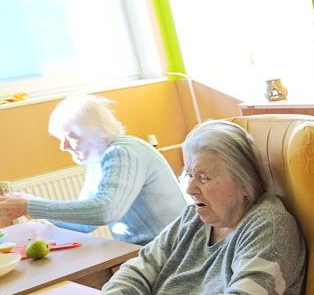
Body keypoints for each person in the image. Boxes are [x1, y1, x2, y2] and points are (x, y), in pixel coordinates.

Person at [68, 120, 306, 295]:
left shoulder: (269, 225)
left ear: (244, 182)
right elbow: (141, 268)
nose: (191, 189)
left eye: (203, 177)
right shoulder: (193, 218)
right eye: (190, 175)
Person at [0, 94, 186, 244]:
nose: (63, 146)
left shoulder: (123, 153)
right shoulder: (99, 161)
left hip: (174, 249)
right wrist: (32, 205)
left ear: (97, 132)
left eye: (70, 137)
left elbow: (105, 211)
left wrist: (31, 206)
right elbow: (84, 224)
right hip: (151, 250)